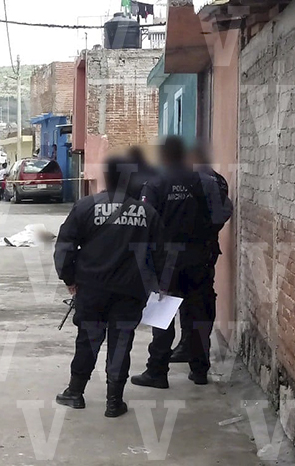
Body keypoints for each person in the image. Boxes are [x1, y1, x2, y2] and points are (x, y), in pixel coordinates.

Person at [54, 156, 166, 418]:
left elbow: (65, 246)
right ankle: (114, 401)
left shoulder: (85, 206)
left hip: (92, 288)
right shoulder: (147, 213)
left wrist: (69, 278)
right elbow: (161, 253)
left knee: (88, 340)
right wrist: (161, 285)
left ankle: (75, 392)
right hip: (131, 291)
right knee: (121, 342)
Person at [131, 136, 233, 388]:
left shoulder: (155, 183)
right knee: (198, 313)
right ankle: (199, 371)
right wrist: (204, 234)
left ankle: (157, 372)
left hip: (166, 259)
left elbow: (144, 221)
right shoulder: (207, 181)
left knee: (162, 315)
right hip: (200, 256)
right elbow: (223, 212)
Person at [169, 144, 232, 363]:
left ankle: (186, 347)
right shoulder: (216, 180)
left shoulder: (191, 180)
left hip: (183, 251)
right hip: (204, 250)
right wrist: (208, 232)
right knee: (199, 300)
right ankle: (194, 350)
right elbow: (224, 211)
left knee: (181, 300)